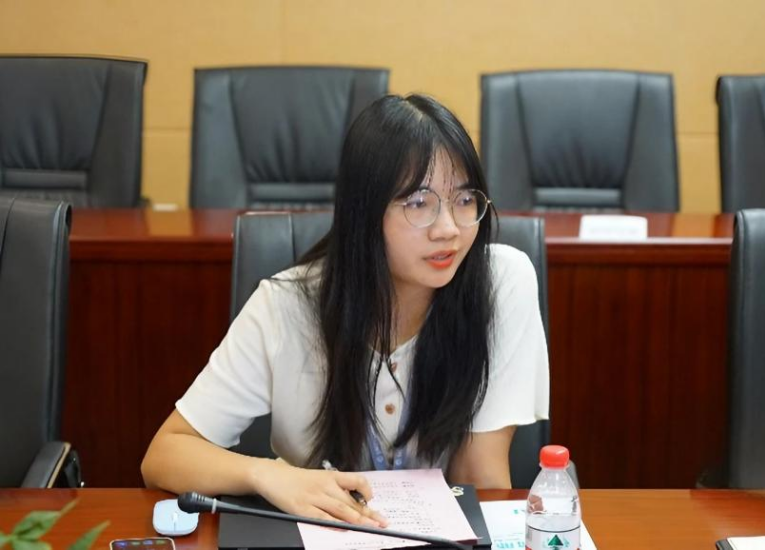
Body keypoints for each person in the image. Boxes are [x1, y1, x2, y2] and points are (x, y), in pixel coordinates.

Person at [141, 94, 549, 528]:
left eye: (464, 199)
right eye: (419, 203)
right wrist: (268, 475)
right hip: (315, 534)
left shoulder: (501, 282)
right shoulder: (286, 306)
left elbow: (481, 476)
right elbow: (164, 456)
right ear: (365, 212)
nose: (449, 229)